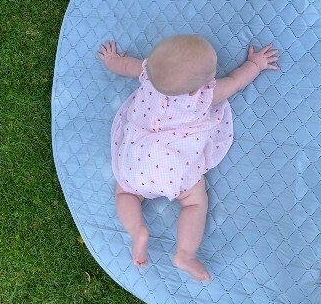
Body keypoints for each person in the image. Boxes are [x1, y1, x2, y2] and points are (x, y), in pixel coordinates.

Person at [97, 35, 279, 282]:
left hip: (136, 161)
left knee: (125, 193)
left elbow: (123, 65)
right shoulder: (203, 96)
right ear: (197, 87)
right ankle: (185, 254)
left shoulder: (148, 74)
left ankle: (136, 229)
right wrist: (255, 64)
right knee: (194, 202)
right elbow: (236, 82)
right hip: (173, 168)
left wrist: (110, 60)